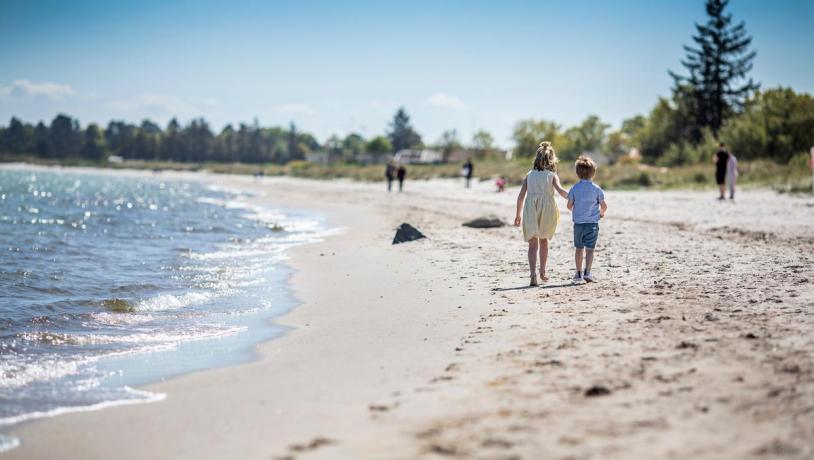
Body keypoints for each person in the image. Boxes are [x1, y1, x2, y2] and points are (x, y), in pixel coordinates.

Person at [513, 141, 569, 286]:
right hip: (547, 210)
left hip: (530, 209)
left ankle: (532, 275)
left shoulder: (529, 175)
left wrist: (518, 215)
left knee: (532, 244)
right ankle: (543, 271)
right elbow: (561, 191)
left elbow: (520, 197)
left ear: (537, 159)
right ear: (552, 160)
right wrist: (575, 197)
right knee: (543, 241)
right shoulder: (552, 176)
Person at [567, 155, 607, 284]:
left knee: (579, 248)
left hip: (578, 224)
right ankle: (588, 273)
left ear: (577, 174)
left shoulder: (574, 188)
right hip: (592, 224)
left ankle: (578, 274)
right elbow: (604, 206)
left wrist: (574, 207)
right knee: (590, 249)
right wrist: (601, 213)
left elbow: (569, 206)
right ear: (593, 173)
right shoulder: (596, 189)